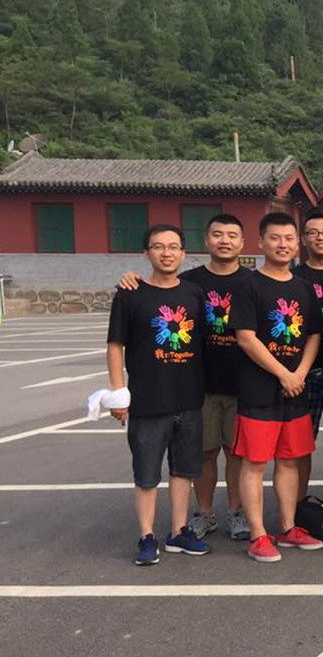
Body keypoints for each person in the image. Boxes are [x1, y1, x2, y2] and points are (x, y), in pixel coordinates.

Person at [115, 214, 252, 541]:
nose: (224, 241)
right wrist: (130, 278)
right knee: (203, 453)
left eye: (232, 235)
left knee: (237, 452)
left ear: (243, 242)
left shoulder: (252, 282)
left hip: (242, 382)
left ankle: (236, 512)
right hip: (198, 386)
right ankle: (204, 513)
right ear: (205, 241)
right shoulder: (190, 282)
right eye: (217, 234)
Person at [107, 224, 209, 565]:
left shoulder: (194, 293)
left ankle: (178, 531)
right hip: (148, 400)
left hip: (189, 398)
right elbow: (115, 345)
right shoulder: (130, 293)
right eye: (158, 246)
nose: (167, 253)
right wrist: (118, 392)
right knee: (147, 473)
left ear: (183, 253)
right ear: (146, 253)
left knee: (184, 470)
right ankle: (147, 535)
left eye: (174, 246)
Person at [231, 212, 323, 563]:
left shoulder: (303, 288)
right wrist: (283, 374)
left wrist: (299, 373)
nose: (282, 245)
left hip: (295, 389)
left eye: (288, 239)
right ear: (261, 242)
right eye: (275, 238)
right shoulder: (248, 285)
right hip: (259, 389)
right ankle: (257, 534)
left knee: (289, 460)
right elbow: (246, 338)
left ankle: (288, 527)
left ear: (297, 244)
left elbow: (313, 334)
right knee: (255, 463)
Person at [293, 211, 323, 500]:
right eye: (313, 232)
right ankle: (300, 504)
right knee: (300, 445)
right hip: (303, 373)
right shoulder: (294, 277)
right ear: (303, 239)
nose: (321, 237)